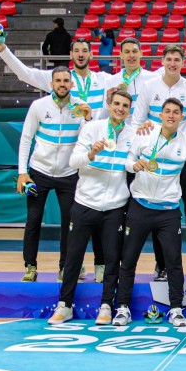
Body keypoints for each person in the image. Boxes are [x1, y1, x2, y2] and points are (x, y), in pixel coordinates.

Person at [47, 89, 134, 324]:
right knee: (73, 257)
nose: (120, 109)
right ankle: (65, 305)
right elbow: (73, 162)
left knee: (112, 258)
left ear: (129, 110)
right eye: (117, 104)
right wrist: (92, 153)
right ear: (109, 105)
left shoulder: (132, 134)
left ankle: (106, 305)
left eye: (125, 106)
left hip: (115, 206)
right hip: (85, 202)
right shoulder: (92, 128)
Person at [113, 98, 186, 327]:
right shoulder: (145, 133)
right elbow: (128, 160)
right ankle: (122, 308)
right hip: (139, 207)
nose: (171, 115)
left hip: (168, 211)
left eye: (176, 112)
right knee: (128, 260)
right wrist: (133, 166)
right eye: (167, 111)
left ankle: (176, 309)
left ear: (181, 117)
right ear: (160, 115)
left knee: (174, 262)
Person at [132, 45, 186, 283]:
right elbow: (136, 121)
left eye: (177, 59)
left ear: (183, 63)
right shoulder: (149, 87)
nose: (173, 63)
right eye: (169, 59)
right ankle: (162, 265)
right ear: (162, 61)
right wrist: (143, 128)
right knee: (158, 210)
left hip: (184, 158)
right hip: (157, 157)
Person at [15, 66, 92, 282]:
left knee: (70, 223)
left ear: (71, 84)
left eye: (66, 81)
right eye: (58, 80)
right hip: (39, 172)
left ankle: (66, 267)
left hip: (69, 174)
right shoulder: (39, 106)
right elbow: (26, 139)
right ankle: (30, 266)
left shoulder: (80, 107)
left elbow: (88, 140)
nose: (62, 84)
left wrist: (88, 119)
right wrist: (22, 173)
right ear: (51, 84)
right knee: (33, 220)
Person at [0, 37, 114, 118]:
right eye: (76, 51)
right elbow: (25, 74)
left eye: (84, 51)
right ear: (70, 55)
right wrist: (3, 50)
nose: (80, 54)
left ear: (91, 55)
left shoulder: (104, 79)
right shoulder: (58, 78)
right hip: (68, 141)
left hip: (95, 142)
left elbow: (124, 79)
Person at [106, 37, 158, 122]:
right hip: (121, 129)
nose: (131, 55)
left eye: (134, 51)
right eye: (127, 52)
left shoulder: (154, 78)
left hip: (145, 128)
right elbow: (104, 116)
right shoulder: (111, 81)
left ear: (141, 53)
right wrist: (108, 102)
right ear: (121, 55)